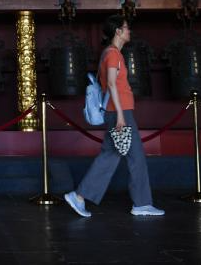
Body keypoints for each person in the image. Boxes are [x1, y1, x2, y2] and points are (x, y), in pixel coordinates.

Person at [63, 15, 165, 218]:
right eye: (126, 28)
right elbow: (111, 83)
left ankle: (80, 196)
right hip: (120, 112)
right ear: (118, 31)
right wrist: (120, 115)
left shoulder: (111, 53)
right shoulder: (113, 54)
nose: (129, 31)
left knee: (110, 156)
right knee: (135, 158)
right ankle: (141, 203)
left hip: (117, 112)